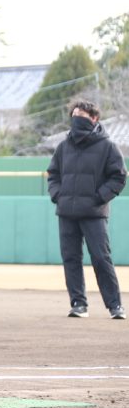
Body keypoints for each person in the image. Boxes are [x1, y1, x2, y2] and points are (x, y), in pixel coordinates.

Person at [47, 100, 127, 320]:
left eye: (81, 114)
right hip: (67, 213)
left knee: (101, 258)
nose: (76, 117)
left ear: (94, 118)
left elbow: (119, 176)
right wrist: (58, 195)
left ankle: (115, 306)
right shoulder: (64, 146)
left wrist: (99, 197)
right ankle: (78, 304)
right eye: (74, 114)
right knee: (70, 259)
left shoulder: (107, 146)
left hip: (94, 213)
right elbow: (53, 174)